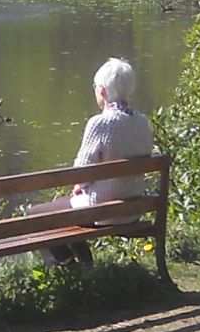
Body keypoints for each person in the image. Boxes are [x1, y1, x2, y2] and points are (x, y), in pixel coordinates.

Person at [46, 57, 156, 263]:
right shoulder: (142, 122)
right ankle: (85, 268)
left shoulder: (101, 123)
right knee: (59, 208)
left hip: (101, 209)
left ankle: (70, 269)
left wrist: (79, 186)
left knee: (34, 216)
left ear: (103, 91)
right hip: (133, 207)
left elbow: (81, 171)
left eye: (95, 88)